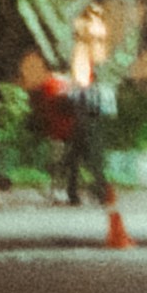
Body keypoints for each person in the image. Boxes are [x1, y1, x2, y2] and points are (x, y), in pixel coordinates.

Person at [63, 77, 112, 205]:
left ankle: (73, 195)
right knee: (95, 163)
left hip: (79, 129)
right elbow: (109, 112)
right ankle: (101, 193)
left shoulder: (76, 92)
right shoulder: (103, 91)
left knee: (74, 163)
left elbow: (67, 106)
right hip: (94, 129)